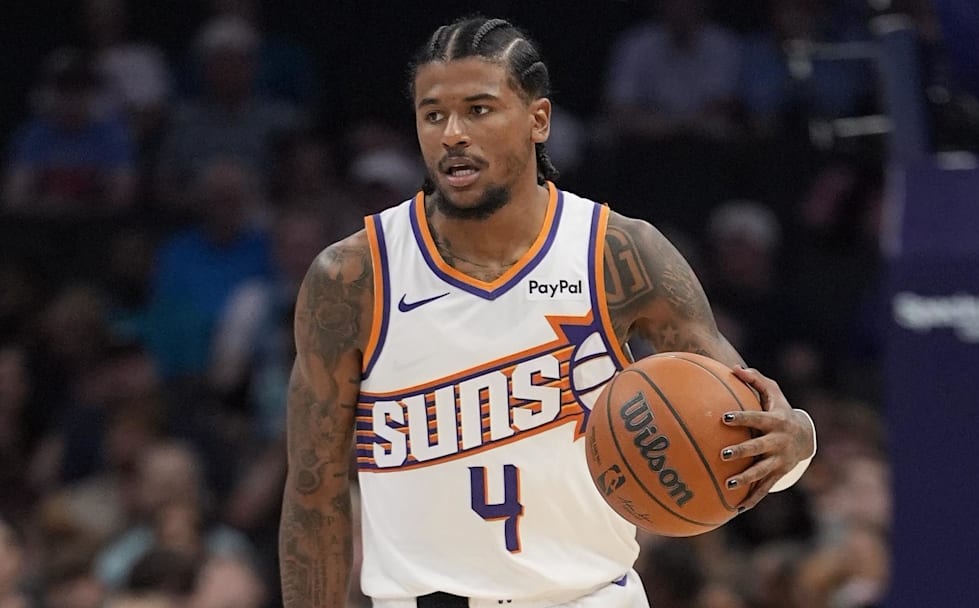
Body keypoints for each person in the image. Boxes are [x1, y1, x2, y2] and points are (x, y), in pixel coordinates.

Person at [279, 16, 816, 608]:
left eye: (478, 110)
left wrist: (797, 441)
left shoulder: (616, 252)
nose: (453, 134)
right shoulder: (353, 277)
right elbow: (314, 491)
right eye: (433, 115)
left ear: (538, 119)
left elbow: (748, 423)